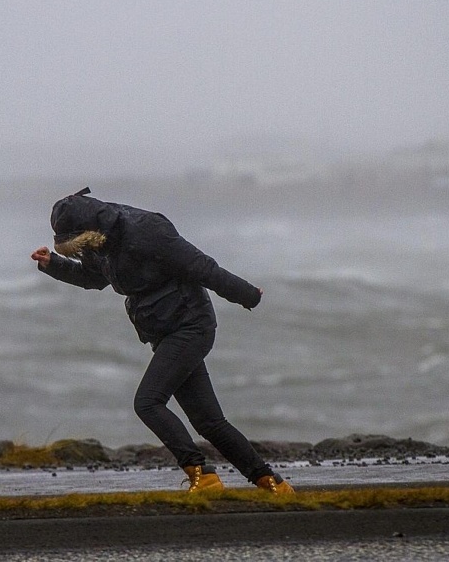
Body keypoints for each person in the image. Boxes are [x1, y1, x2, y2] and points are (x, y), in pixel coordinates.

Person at [31, 188, 293, 494]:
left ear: (90, 229)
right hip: (163, 330)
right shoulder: (99, 244)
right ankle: (271, 484)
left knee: (148, 402)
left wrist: (247, 294)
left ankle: (203, 476)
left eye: (77, 246)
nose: (81, 250)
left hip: (191, 324)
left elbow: (202, 268)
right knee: (209, 422)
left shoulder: (147, 230)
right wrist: (54, 265)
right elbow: (96, 279)